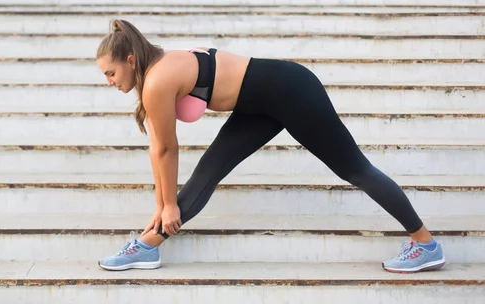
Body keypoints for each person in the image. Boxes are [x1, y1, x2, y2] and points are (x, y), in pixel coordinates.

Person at [94, 19, 446, 274]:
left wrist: (170, 204)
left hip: (290, 90)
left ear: (129, 61)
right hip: (256, 105)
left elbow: (168, 150)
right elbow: (158, 147)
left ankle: (425, 244)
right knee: (209, 172)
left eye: (110, 74)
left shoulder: (158, 79)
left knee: (354, 168)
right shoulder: (156, 70)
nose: (109, 82)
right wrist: (162, 205)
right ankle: (147, 246)